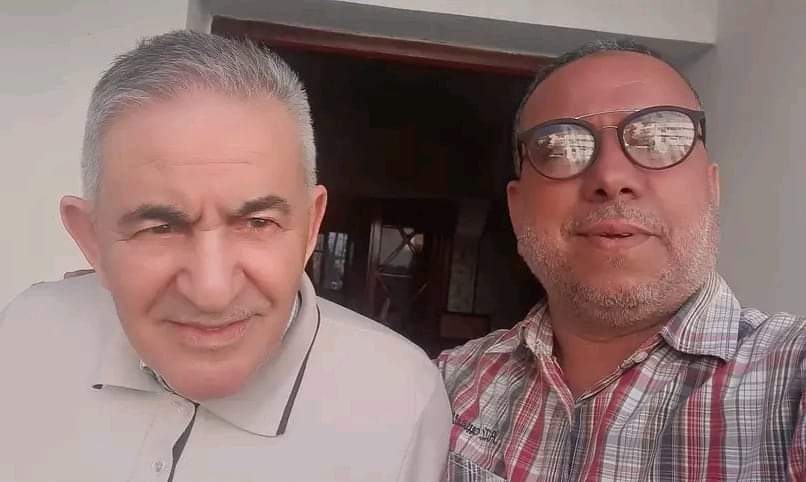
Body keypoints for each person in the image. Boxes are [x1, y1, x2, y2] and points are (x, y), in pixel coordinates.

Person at [0, 30, 450, 482]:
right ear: (91, 239)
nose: (212, 292)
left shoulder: (400, 401)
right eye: (159, 228)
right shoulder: (26, 334)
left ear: (311, 226)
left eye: (257, 223)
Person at [438, 39, 806, 481]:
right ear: (516, 209)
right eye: (561, 147)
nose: (611, 177)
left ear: (711, 188)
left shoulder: (793, 383)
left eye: (659, 139)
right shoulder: (444, 387)